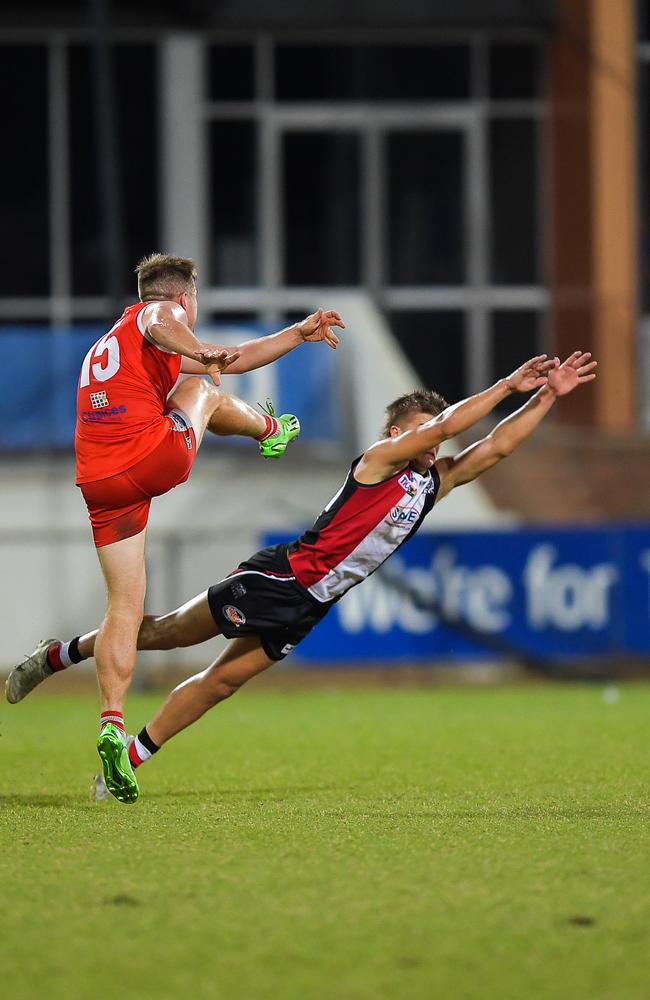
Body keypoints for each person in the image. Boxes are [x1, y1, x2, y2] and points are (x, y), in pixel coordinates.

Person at [6, 350, 596, 803]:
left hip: (311, 604)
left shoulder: (430, 484)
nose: (439, 434)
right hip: (282, 578)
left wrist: (546, 397)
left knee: (220, 684)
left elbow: (493, 449)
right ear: (399, 433)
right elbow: (445, 429)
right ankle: (59, 655)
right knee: (165, 634)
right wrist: (507, 384)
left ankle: (124, 766)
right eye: (426, 426)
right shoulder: (377, 461)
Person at [15, 252, 345, 799]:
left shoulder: (118, 345)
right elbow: (167, 326)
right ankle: (270, 429)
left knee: (123, 609)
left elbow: (237, 358)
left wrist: (297, 333)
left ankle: (112, 724)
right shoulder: (159, 317)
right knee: (202, 394)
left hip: (99, 483)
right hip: (146, 457)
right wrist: (199, 347)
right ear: (186, 296)